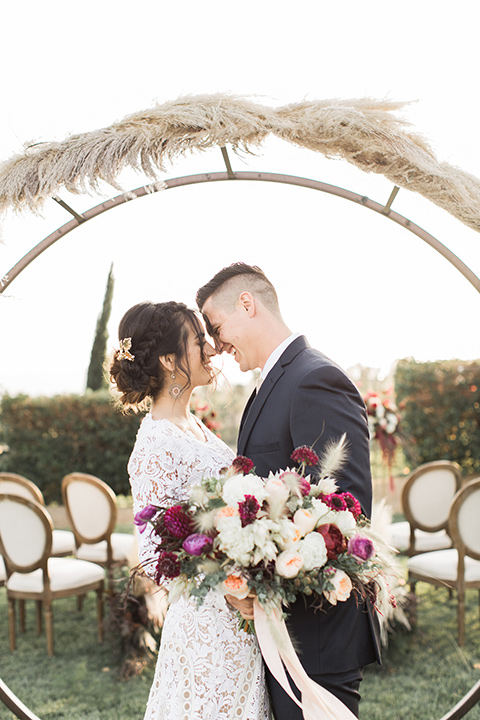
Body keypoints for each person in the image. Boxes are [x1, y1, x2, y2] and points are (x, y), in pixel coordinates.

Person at [196, 263, 381, 719]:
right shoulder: (270, 384)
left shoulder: (314, 379)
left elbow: (345, 512)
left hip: (317, 634)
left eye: (217, 329)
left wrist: (266, 583)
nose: (217, 347)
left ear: (247, 304)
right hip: (285, 629)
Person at [110, 300, 270, 720]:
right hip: (208, 628)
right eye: (198, 340)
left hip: (236, 619)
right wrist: (232, 587)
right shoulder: (156, 445)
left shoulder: (193, 426)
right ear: (168, 359)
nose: (211, 348)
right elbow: (155, 559)